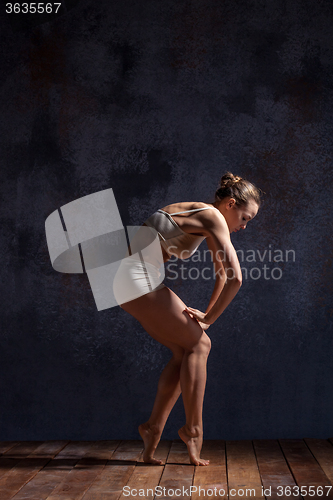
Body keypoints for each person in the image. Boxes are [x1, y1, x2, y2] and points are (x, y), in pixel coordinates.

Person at [114, 172, 261, 466]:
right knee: (201, 346)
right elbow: (237, 279)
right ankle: (193, 431)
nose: (244, 226)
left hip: (129, 282)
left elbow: (222, 276)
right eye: (245, 218)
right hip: (137, 280)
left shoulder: (205, 218)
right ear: (231, 204)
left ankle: (153, 428)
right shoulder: (214, 218)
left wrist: (207, 318)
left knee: (186, 351)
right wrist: (207, 321)